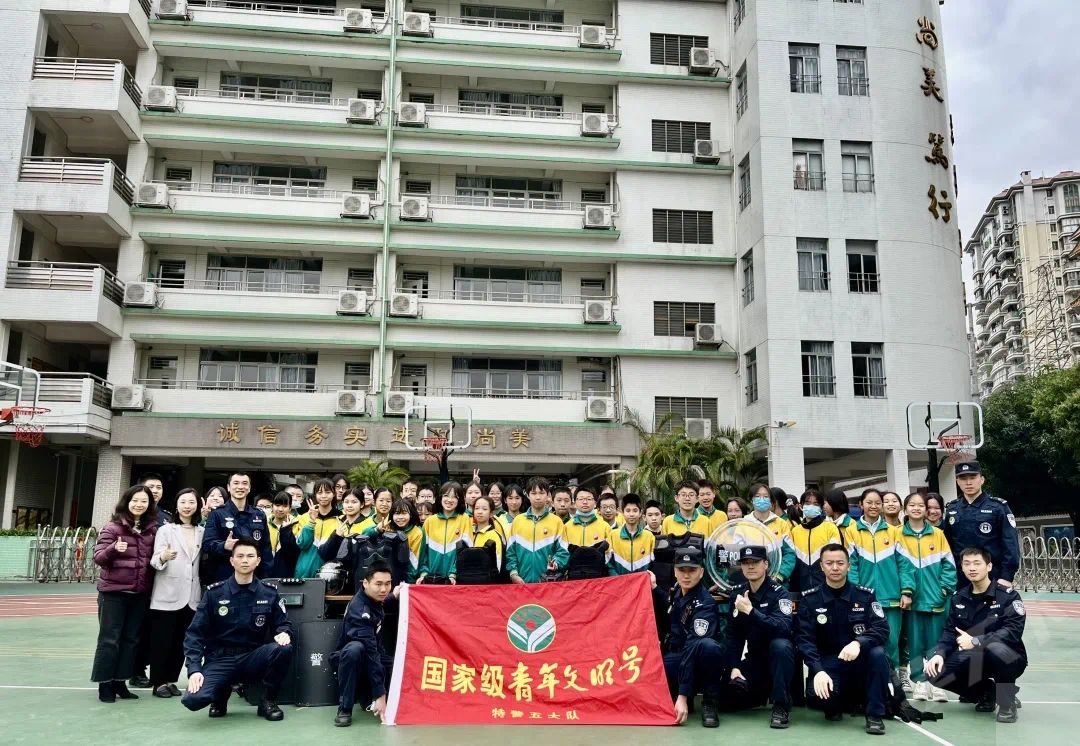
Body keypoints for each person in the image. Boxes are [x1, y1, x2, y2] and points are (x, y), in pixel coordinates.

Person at [181, 538, 294, 721]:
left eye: (250, 556)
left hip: (252, 658)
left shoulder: (269, 593)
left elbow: (283, 623)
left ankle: (268, 701)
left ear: (258, 561)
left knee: (283, 649)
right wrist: (194, 669)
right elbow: (194, 634)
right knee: (193, 700)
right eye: (240, 556)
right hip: (220, 660)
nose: (245, 560)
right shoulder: (214, 594)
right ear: (232, 561)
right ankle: (220, 695)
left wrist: (284, 633)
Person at [797, 544, 891, 735]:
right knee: (821, 699)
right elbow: (805, 640)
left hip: (859, 663)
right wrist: (818, 670)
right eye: (829, 563)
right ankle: (843, 703)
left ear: (848, 566)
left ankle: (874, 715)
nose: (835, 567)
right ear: (821, 566)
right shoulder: (810, 599)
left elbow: (881, 628)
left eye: (840, 563)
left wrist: (859, 642)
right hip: (828, 664)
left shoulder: (865, 596)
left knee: (878, 653)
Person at [925, 547, 1027, 723]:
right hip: (975, 658)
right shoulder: (959, 598)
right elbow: (950, 632)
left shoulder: (1008, 597)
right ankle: (987, 693)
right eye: (967, 564)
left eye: (977, 563)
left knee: (996, 649)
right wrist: (939, 653)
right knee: (935, 672)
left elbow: (1012, 632)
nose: (972, 568)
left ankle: (1007, 703)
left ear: (989, 566)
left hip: (1008, 658)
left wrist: (975, 640)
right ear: (962, 568)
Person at [92, 484, 158, 703]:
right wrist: (113, 550)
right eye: (135, 500)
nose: (139, 504)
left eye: (144, 501)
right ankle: (105, 684)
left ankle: (120, 682)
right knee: (109, 640)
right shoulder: (112, 528)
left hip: (139, 594)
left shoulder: (151, 530)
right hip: (114, 593)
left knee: (131, 640)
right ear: (126, 502)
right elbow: (99, 558)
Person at [724, 546, 795, 729]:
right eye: (745, 563)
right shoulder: (738, 593)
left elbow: (784, 629)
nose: (750, 566)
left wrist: (751, 612)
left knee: (780, 645)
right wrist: (734, 667)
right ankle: (761, 693)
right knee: (725, 701)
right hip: (755, 660)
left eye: (755, 562)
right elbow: (733, 635)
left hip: (779, 661)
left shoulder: (780, 593)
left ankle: (781, 705)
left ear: (766, 564)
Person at [896, 492, 955, 703]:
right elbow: (900, 567)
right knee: (914, 643)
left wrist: (944, 590)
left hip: (936, 599)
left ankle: (937, 681)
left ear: (926, 510)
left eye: (920, 505)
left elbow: (949, 565)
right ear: (905, 509)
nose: (916, 508)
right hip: (912, 600)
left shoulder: (938, 534)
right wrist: (906, 591)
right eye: (912, 505)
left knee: (936, 642)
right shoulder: (898, 535)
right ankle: (920, 681)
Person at [149, 488, 204, 698]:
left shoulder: (201, 531)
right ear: (176, 505)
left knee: (183, 641)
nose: (187, 506)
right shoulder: (166, 530)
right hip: (167, 593)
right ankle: (158, 682)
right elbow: (155, 561)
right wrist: (163, 556)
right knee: (162, 640)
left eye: (191, 502)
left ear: (197, 506)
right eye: (183, 502)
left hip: (192, 596)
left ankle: (171, 679)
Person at [662, 546, 723, 728]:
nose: (686, 576)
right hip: (678, 656)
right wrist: (654, 587)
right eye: (682, 570)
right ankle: (683, 697)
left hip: (697, 659)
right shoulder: (676, 592)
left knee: (709, 647)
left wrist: (682, 695)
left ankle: (709, 702)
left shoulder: (705, 603)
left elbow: (692, 646)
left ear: (701, 572)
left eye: (692, 570)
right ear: (675, 571)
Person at [333, 559, 397, 727]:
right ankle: (345, 707)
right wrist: (380, 694)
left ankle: (367, 697)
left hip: (372, 655)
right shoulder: (360, 610)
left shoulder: (373, 598)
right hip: (352, 661)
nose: (384, 589)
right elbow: (370, 653)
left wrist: (395, 595)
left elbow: (382, 602)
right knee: (355, 649)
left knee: (399, 666)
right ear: (366, 583)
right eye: (378, 584)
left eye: (388, 584)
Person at [848, 489, 904, 674]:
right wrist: (856, 592)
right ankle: (872, 679)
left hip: (891, 597)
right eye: (869, 502)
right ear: (861, 505)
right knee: (866, 640)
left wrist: (907, 590)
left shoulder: (894, 532)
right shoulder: (852, 531)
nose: (873, 506)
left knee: (892, 641)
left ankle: (893, 679)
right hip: (865, 599)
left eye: (877, 503)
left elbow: (904, 564)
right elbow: (851, 565)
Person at [941, 462, 1020, 590]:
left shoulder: (998, 507)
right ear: (957, 482)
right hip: (961, 577)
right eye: (963, 479)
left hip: (992, 576)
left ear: (982, 480)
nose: (968, 483)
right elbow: (947, 545)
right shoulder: (952, 509)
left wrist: (1006, 576)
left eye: (972, 478)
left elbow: (1010, 544)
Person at [201, 472, 272, 585]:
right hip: (224, 578)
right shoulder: (217, 514)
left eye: (244, 483)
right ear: (228, 488)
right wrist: (224, 546)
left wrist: (266, 580)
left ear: (249, 488)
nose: (240, 487)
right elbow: (207, 545)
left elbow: (266, 550)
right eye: (236, 483)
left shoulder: (259, 515)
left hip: (254, 579)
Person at [506, 477, 569, 584]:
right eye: (533, 493)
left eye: (541, 493)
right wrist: (513, 573)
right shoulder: (517, 521)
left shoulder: (557, 522)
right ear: (527, 495)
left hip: (548, 583)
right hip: (522, 582)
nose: (538, 497)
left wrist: (555, 564)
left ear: (548, 495)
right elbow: (510, 552)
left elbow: (563, 551)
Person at [779, 489, 843, 594]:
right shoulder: (795, 531)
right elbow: (790, 557)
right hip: (799, 587)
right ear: (801, 506)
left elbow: (836, 557)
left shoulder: (830, 528)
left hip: (825, 587)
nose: (811, 506)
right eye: (808, 503)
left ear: (821, 507)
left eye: (816, 504)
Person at [416, 482, 471, 584]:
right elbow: (423, 552)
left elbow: (466, 551)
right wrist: (423, 573)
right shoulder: (430, 521)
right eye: (446, 495)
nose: (449, 500)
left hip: (454, 580)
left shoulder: (464, 519)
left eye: (454, 497)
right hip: (431, 579)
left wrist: (453, 573)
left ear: (459, 500)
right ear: (440, 497)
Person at [293, 478, 342, 578]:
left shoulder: (341, 519)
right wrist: (311, 521)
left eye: (327, 492)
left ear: (333, 494)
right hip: (304, 573)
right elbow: (303, 544)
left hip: (330, 575)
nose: (323, 496)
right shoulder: (304, 517)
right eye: (319, 492)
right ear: (315, 495)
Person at [609, 494, 656, 577]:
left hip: (642, 582)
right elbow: (609, 563)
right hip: (619, 582)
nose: (631, 514)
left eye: (635, 510)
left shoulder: (649, 536)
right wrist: (617, 579)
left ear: (640, 512)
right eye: (628, 510)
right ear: (622, 512)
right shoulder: (613, 535)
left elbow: (653, 564)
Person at [267, 492, 300, 578]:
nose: (280, 509)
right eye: (277, 505)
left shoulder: (297, 525)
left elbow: (292, 552)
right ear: (272, 506)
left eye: (285, 506)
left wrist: (286, 530)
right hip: (266, 573)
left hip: (287, 574)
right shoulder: (265, 524)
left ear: (290, 508)